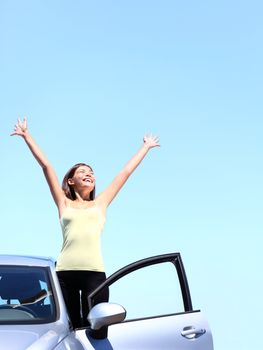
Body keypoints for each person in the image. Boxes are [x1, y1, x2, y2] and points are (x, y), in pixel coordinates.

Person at [11, 117, 160, 328]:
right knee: (71, 327)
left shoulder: (101, 204)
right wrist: (27, 136)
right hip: (64, 274)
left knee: (96, 329)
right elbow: (46, 167)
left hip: (94, 274)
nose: (88, 173)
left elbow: (124, 173)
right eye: (82, 171)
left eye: (91, 172)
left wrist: (145, 147)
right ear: (71, 181)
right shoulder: (63, 203)